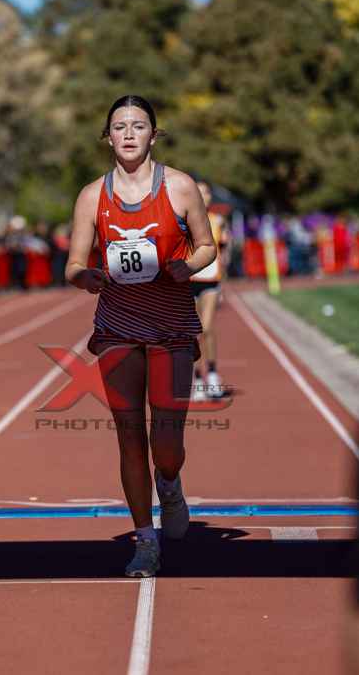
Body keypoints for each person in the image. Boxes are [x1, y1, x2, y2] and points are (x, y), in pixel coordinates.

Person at [65, 95, 216, 577]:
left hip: (171, 327)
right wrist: (85, 277)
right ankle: (145, 540)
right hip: (117, 328)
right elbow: (73, 263)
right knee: (130, 436)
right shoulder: (92, 196)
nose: (128, 134)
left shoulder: (180, 187)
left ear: (154, 134)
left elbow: (207, 245)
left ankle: (169, 483)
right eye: (119, 126)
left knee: (166, 442)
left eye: (138, 125)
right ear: (107, 137)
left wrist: (187, 265)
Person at [189, 179, 229, 401]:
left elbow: (224, 249)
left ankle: (212, 375)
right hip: (189, 281)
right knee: (193, 332)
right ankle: (196, 380)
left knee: (207, 328)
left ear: (210, 196)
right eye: (198, 192)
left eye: (205, 192)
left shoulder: (217, 221)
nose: (202, 196)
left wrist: (225, 277)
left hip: (211, 280)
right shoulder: (182, 222)